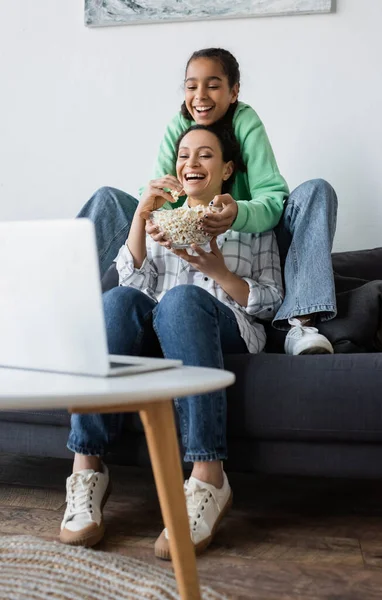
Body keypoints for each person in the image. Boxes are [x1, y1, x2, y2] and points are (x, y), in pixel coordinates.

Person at [60, 124, 284, 557]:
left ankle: (208, 477)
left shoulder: (253, 224)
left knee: (183, 300)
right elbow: (128, 281)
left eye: (205, 155)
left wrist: (219, 270)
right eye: (184, 155)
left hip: (227, 326)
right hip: (160, 327)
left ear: (226, 168)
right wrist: (141, 220)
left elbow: (271, 304)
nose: (191, 163)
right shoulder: (162, 220)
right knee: (118, 299)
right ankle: (87, 467)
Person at [79, 47, 338, 356]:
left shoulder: (245, 121)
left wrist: (237, 213)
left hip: (250, 231)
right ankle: (64, 312)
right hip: (188, 233)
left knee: (316, 191)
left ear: (234, 92)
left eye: (213, 85)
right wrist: (157, 220)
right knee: (107, 199)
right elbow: (163, 194)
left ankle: (300, 324)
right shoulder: (179, 124)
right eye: (191, 86)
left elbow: (272, 198)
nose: (200, 95)